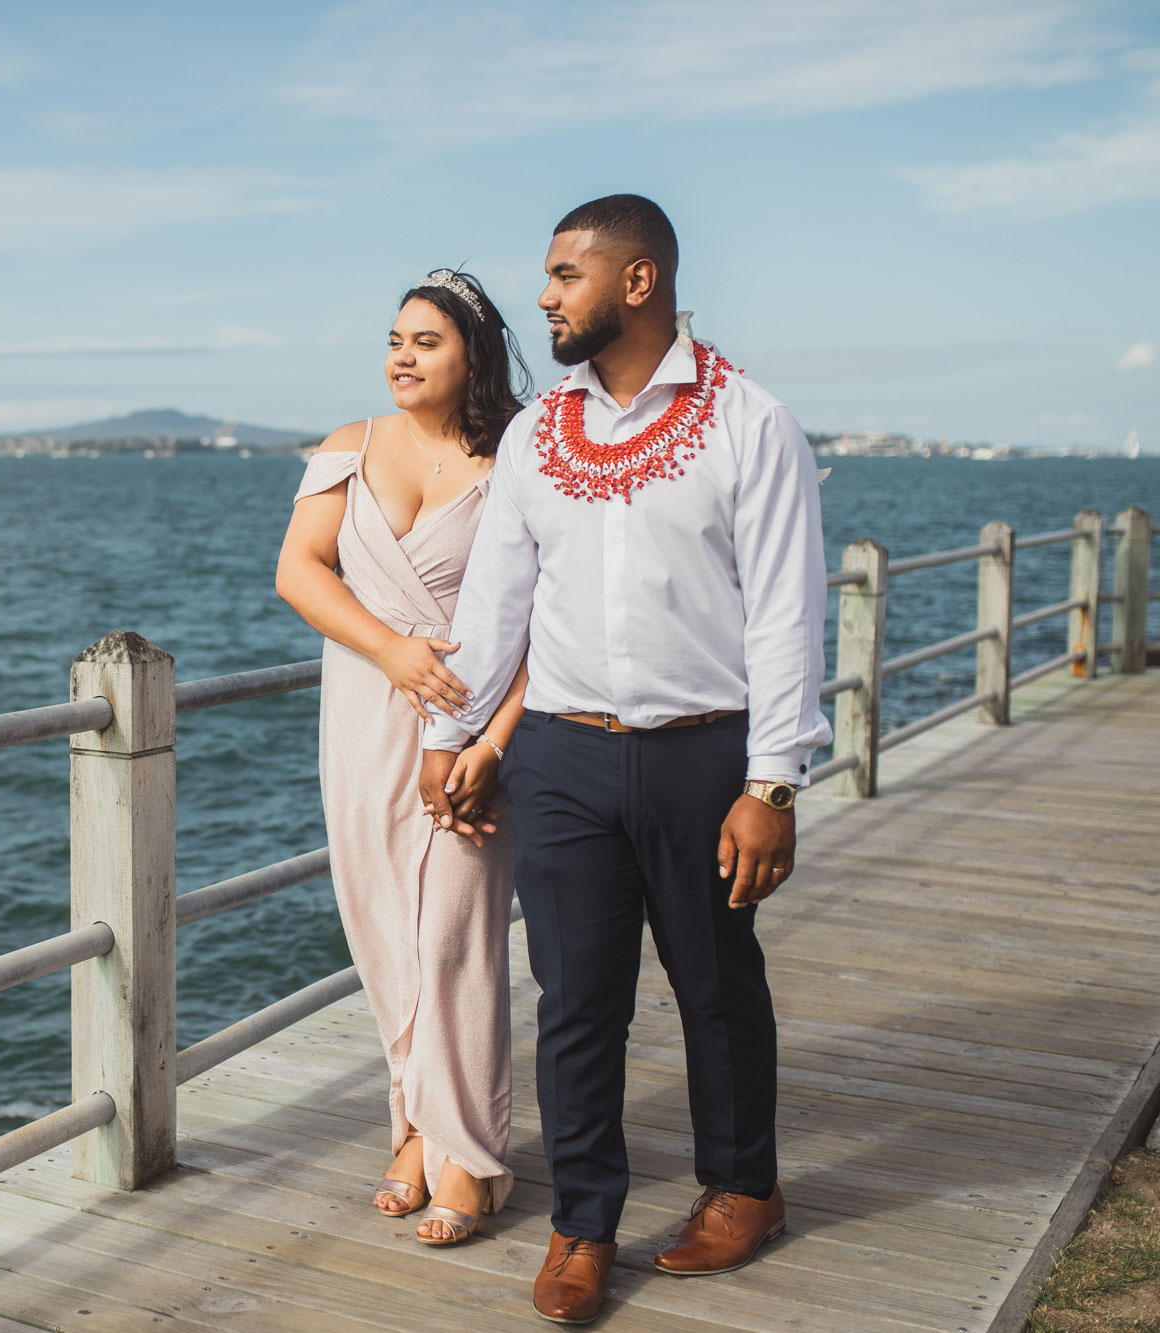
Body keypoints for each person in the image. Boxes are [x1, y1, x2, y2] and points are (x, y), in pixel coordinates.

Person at [420, 197, 828, 1324]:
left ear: (635, 282)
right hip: (558, 757)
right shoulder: (538, 436)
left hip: (706, 758)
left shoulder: (748, 422)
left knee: (715, 988)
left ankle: (744, 1187)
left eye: (562, 275)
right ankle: (581, 1223)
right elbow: (496, 602)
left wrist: (770, 783)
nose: (542, 297)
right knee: (575, 1002)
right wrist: (447, 734)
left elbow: (786, 617)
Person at [276, 268, 533, 1247]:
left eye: (424, 340)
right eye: (392, 339)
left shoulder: (519, 453)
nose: (399, 356)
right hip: (361, 710)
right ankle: (415, 1129)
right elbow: (297, 570)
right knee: (383, 928)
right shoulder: (348, 446)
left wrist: (495, 736)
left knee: (454, 936)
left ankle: (472, 1152)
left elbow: (541, 615)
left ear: (471, 351)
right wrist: (387, 649)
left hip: (470, 716)